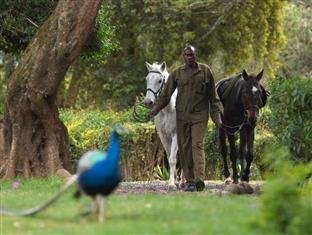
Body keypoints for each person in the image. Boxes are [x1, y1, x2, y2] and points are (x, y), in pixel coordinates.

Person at [149, 45, 223, 192]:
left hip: (200, 115)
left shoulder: (205, 71)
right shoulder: (177, 74)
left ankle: (199, 178)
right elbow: (166, 95)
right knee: (185, 148)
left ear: (196, 55)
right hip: (182, 116)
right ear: (184, 57)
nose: (190, 57)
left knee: (197, 145)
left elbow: (213, 97)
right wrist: (155, 109)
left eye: (192, 55)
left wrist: (217, 118)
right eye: (187, 55)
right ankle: (189, 181)